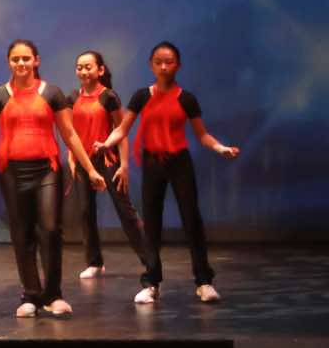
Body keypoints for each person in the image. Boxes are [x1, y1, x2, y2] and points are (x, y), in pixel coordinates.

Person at [0, 39, 107, 318]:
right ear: (9, 62)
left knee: (49, 229)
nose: (21, 63)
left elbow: (70, 134)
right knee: (22, 232)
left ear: (36, 60)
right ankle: (30, 295)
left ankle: (53, 295)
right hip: (12, 173)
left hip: (46, 171)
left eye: (26, 58)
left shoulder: (51, 93)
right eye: (15, 59)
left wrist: (90, 170)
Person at [98, 41, 241, 305]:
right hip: (152, 163)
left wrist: (220, 148)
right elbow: (123, 129)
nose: (164, 67)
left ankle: (204, 281)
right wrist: (107, 143)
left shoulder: (186, 99)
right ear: (151, 65)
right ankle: (151, 282)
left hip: (179, 162)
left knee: (191, 220)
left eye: (169, 62)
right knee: (152, 222)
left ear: (178, 65)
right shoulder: (142, 96)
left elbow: (202, 135)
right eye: (158, 62)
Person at [62, 50, 148, 281]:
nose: (83, 71)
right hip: (84, 160)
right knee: (85, 212)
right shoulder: (72, 97)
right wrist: (72, 158)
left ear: (100, 70)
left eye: (88, 66)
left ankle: (149, 260)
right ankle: (94, 262)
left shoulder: (108, 96)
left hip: (108, 158)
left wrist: (124, 165)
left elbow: (122, 132)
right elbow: (70, 132)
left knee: (125, 211)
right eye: (79, 67)